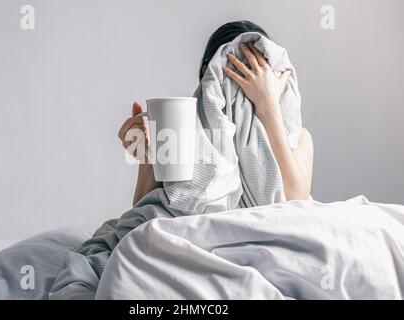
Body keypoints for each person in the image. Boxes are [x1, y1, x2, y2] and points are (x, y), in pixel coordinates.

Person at [118, 21, 314, 206]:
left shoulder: (298, 138)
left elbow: (296, 201)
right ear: (207, 75)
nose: (239, 97)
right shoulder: (181, 133)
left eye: (255, 73)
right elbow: (144, 213)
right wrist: (148, 158)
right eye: (233, 75)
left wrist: (268, 107)